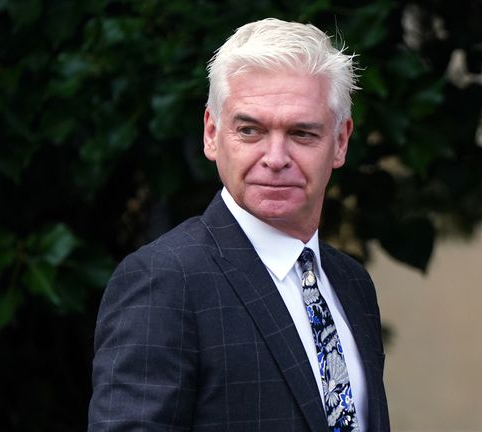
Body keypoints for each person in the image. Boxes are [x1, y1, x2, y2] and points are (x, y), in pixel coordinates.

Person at [89, 17, 389, 432]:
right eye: (250, 130)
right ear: (212, 134)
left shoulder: (352, 284)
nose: (276, 157)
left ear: (340, 142)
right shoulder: (165, 279)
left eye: (302, 133)